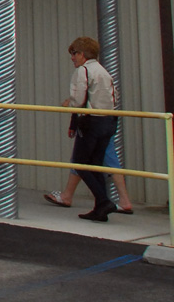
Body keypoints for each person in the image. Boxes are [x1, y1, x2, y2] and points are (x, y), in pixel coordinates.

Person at [58, 37, 120, 222]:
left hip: (91, 122)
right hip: (108, 122)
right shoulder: (103, 71)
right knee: (95, 164)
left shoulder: (83, 71)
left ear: (83, 54)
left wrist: (69, 106)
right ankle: (100, 207)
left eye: (74, 53)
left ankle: (103, 200)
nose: (72, 58)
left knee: (80, 162)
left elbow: (79, 100)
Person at [43, 136, 134, 213]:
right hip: (107, 122)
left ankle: (67, 195)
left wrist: (75, 123)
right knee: (108, 155)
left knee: (81, 157)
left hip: (93, 122)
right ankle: (123, 199)